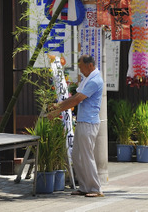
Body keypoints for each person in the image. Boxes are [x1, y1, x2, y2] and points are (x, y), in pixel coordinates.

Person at [47, 54, 104, 198]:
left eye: (81, 67)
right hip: (83, 121)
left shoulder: (95, 80)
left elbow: (77, 99)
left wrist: (57, 109)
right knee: (77, 155)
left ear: (90, 65)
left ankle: (95, 188)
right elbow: (74, 97)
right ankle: (84, 187)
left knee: (86, 155)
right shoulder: (87, 78)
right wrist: (58, 106)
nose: (80, 70)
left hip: (89, 122)